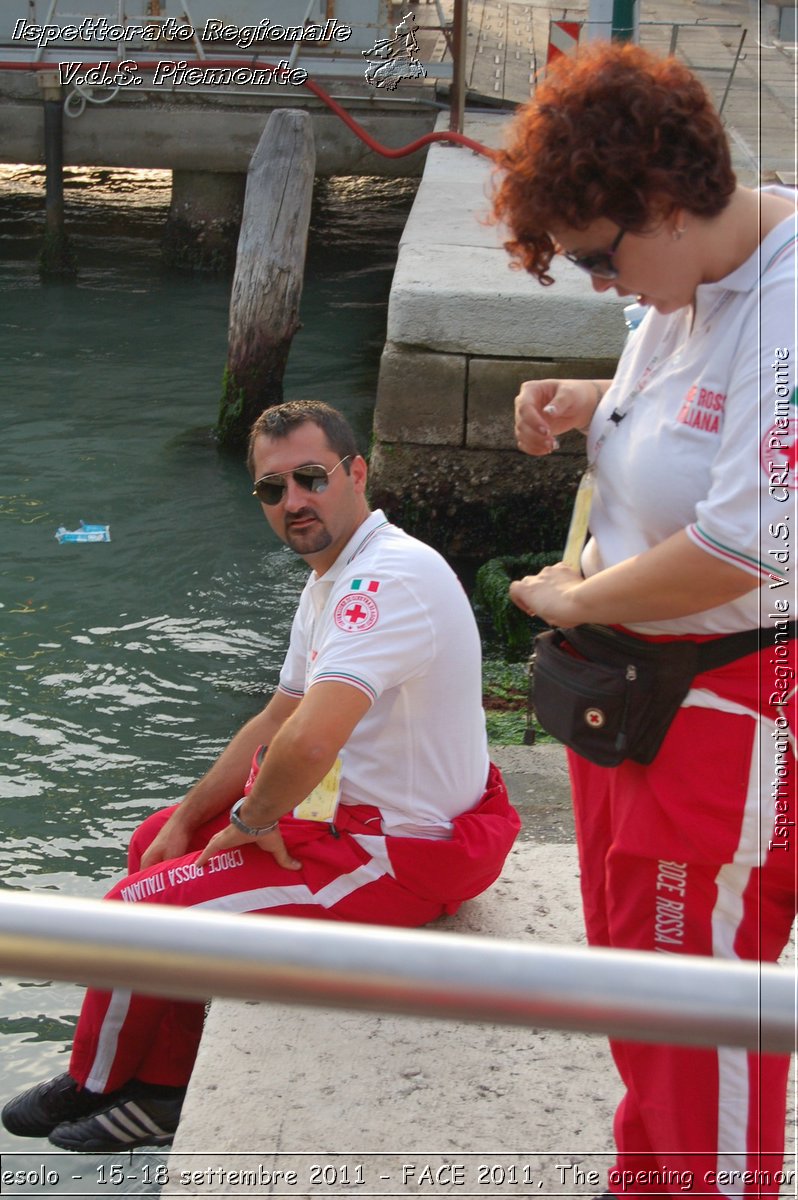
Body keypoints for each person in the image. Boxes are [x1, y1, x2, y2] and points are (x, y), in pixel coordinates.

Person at [3, 400, 520, 1153]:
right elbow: (278, 719)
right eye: (271, 489)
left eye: (310, 478)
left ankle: (102, 1080)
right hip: (353, 821)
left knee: (128, 915)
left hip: (398, 857)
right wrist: (188, 818)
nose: (293, 502)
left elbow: (309, 742)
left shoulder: (385, 584)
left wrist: (248, 824)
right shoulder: (334, 579)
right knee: (157, 839)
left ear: (357, 472)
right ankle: (163, 1078)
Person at [492, 42, 796, 1200]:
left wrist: (574, 601)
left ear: (665, 203)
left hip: (723, 712)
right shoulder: (693, 278)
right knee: (636, 980)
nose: (601, 284)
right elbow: (705, 422)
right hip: (639, 708)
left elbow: (750, 542)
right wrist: (595, 404)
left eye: (598, 258)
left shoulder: (789, 311)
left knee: (697, 1002)